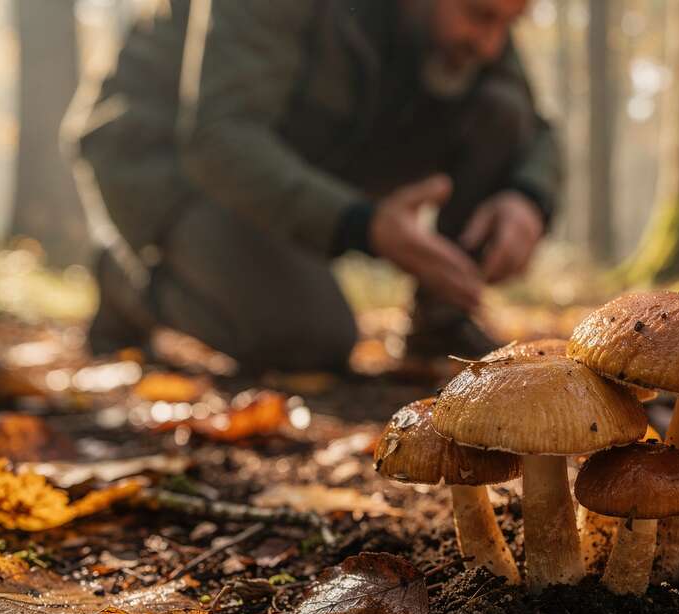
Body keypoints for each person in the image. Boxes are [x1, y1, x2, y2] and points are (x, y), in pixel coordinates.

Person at [73, 0, 559, 372]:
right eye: (479, 16)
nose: (492, 45)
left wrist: (527, 198)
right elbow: (220, 139)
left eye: (507, 25)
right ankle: (130, 280)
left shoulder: (469, 24)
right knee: (308, 336)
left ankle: (441, 320)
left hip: (300, 154)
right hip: (164, 163)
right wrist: (362, 225)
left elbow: (532, 126)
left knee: (501, 106)